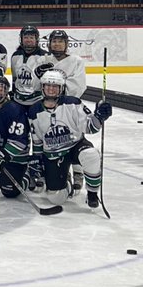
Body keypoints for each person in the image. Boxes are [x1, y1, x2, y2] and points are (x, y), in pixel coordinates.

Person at [28, 71, 111, 209]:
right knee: (56, 198)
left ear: (61, 88)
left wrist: (100, 117)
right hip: (53, 154)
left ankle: (92, 194)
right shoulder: (34, 111)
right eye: (48, 86)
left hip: (75, 146)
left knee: (90, 155)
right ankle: (66, 181)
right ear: (42, 87)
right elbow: (37, 141)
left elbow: (91, 128)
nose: (51, 89)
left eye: (55, 86)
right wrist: (39, 160)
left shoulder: (73, 103)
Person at [46, 28, 89, 191]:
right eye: (54, 41)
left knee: (75, 138)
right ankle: (64, 171)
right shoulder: (44, 58)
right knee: (56, 138)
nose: (57, 44)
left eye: (60, 41)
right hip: (49, 107)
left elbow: (79, 85)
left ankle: (78, 172)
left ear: (66, 44)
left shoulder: (76, 60)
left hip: (71, 106)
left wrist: (56, 90)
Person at [10, 26, 54, 107]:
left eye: (31, 37)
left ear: (36, 39)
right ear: (21, 39)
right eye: (26, 37)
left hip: (37, 101)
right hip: (18, 100)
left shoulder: (45, 56)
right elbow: (14, 79)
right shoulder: (15, 55)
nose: (28, 40)